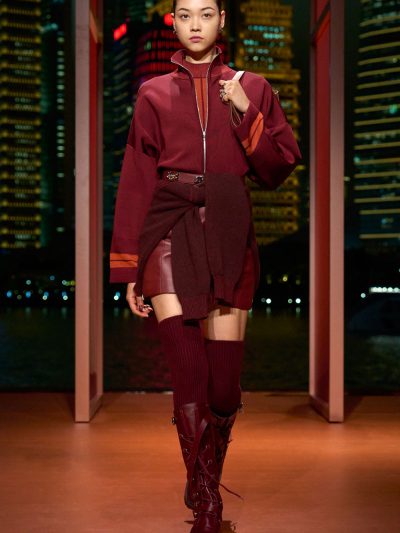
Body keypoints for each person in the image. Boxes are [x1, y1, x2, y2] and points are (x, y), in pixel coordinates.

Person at [110, 0, 302, 531]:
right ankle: (207, 500)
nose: (195, 24)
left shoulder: (253, 87)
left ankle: (204, 473)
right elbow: (135, 181)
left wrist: (244, 111)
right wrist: (129, 269)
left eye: (206, 14)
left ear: (222, 21)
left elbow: (279, 167)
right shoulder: (152, 93)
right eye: (185, 14)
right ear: (173, 21)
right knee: (188, 373)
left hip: (228, 228)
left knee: (222, 389)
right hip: (168, 229)